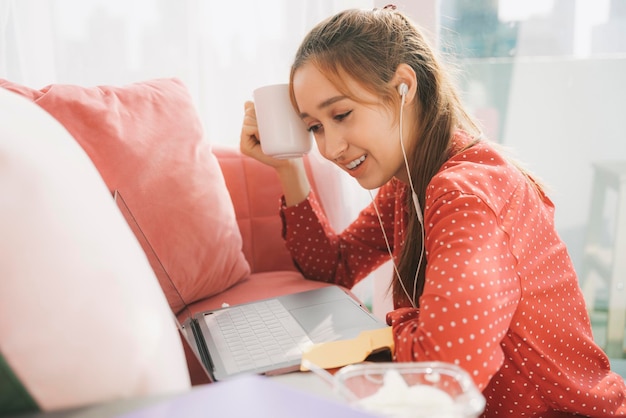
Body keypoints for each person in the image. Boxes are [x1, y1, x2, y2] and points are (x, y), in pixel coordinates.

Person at [240, 6, 626, 417]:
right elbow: (332, 267)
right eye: (315, 127)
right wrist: (287, 164)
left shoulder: (465, 194)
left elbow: (443, 377)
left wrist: (391, 330)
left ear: (404, 87)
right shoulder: (409, 183)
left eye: (341, 115)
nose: (330, 149)